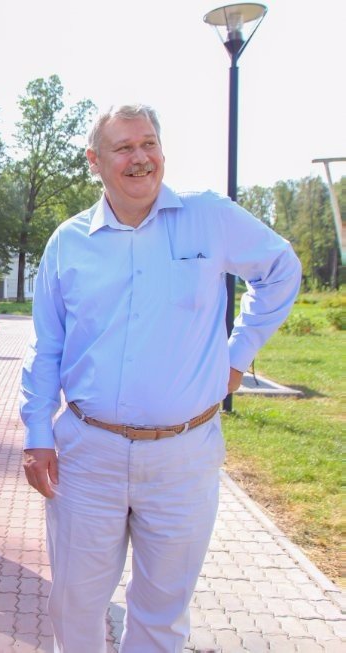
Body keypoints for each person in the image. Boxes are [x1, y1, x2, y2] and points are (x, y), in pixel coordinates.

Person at [20, 104, 301, 652]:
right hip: (88, 455)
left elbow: (280, 269)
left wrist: (237, 355)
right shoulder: (68, 243)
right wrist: (36, 432)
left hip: (184, 457)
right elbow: (46, 344)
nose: (140, 157)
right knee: (74, 606)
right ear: (95, 161)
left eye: (149, 143)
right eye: (123, 147)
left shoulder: (209, 218)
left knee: (161, 615)